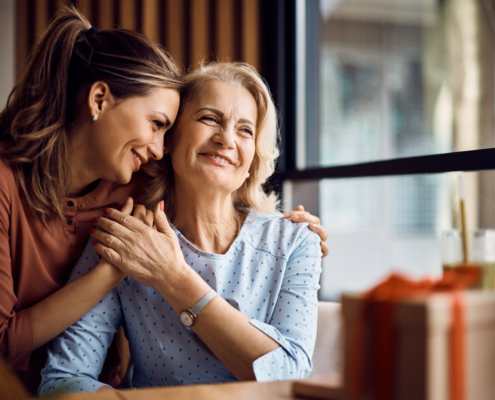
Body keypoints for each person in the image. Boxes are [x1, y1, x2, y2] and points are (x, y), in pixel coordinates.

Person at [0, 7, 327, 394]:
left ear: (256, 154)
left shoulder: (293, 243)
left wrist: (176, 279)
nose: (227, 138)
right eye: (208, 118)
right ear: (173, 142)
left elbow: (292, 375)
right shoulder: (127, 228)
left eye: (245, 130)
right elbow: (64, 375)